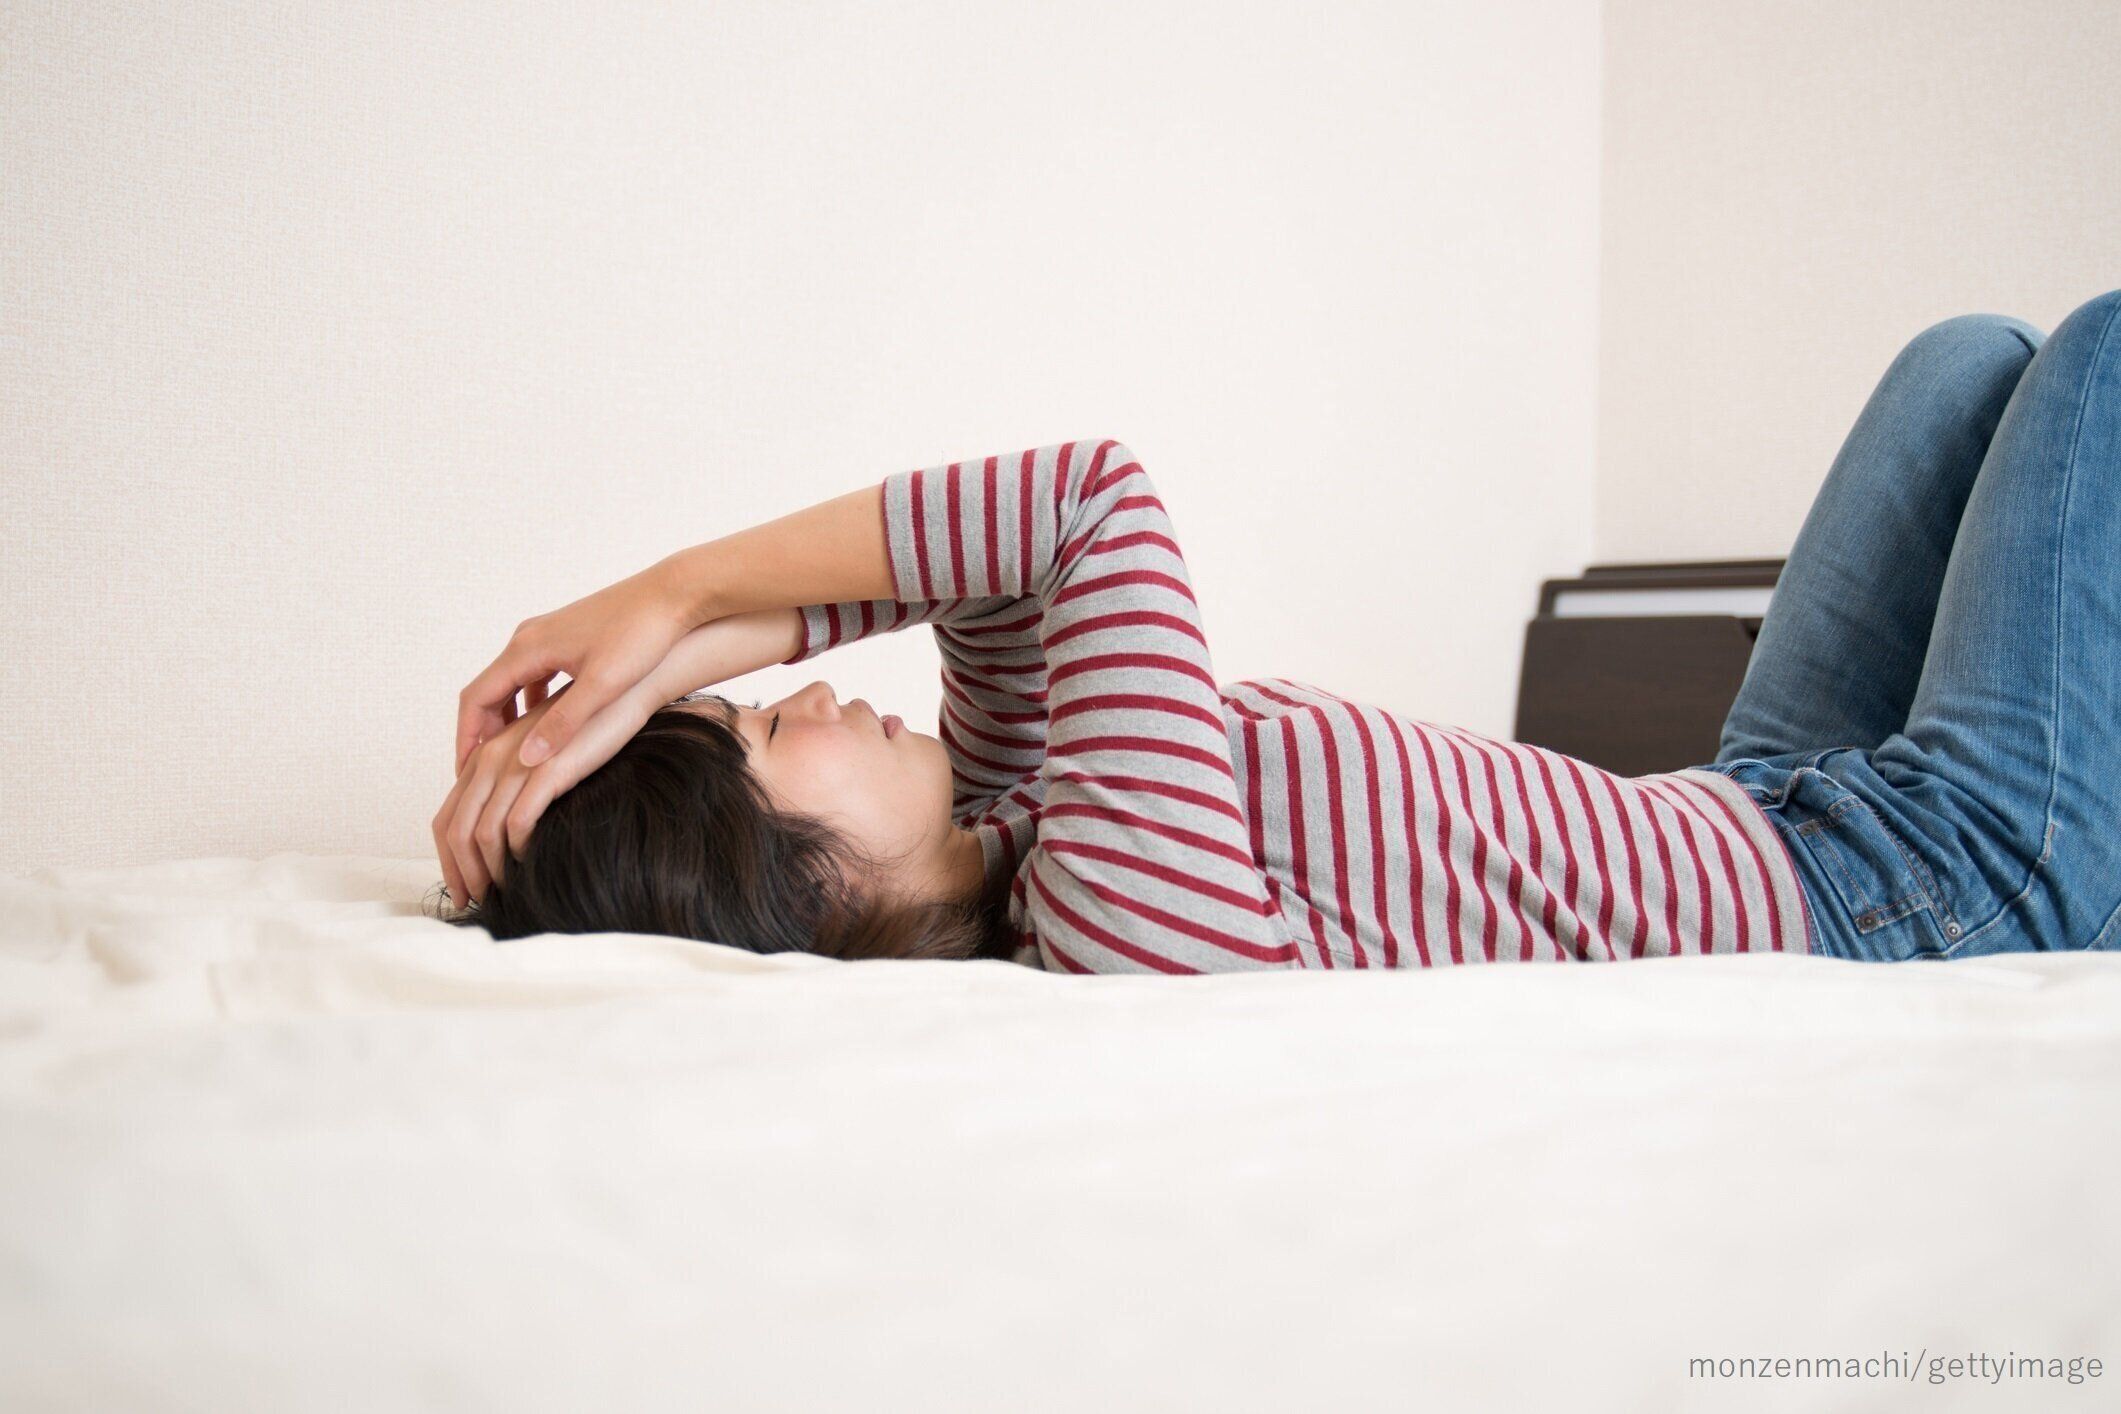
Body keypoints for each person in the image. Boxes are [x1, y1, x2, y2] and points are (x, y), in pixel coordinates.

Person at [434, 289, 2121, 969]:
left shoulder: (1030, 816)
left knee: (1966, 358)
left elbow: (998, 567)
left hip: (1760, 794)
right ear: (787, 882)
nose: (803, 687)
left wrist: (678, 646)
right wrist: (667, 594)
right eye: (763, 734)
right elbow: (1091, 503)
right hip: (1910, 891)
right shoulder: (1115, 918)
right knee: (2098, 351)